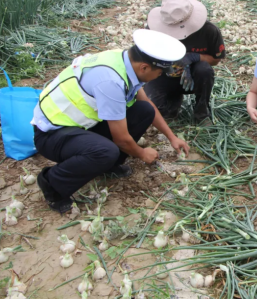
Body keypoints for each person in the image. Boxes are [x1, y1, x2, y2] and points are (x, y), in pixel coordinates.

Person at [32, 29, 190, 214]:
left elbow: (146, 103)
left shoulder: (126, 61)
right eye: (160, 72)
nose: (159, 76)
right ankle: (52, 183)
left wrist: (172, 137)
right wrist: (141, 153)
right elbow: (122, 138)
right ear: (145, 68)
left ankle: (108, 165)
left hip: (81, 126)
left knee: (144, 110)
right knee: (106, 151)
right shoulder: (110, 82)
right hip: (52, 134)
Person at [144, 0, 226, 123]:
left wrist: (193, 57)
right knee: (155, 112)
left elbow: (215, 60)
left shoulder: (209, 31)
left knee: (204, 69)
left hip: (192, 79)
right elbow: (144, 60)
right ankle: (173, 99)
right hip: (164, 74)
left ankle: (201, 111)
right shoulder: (153, 31)